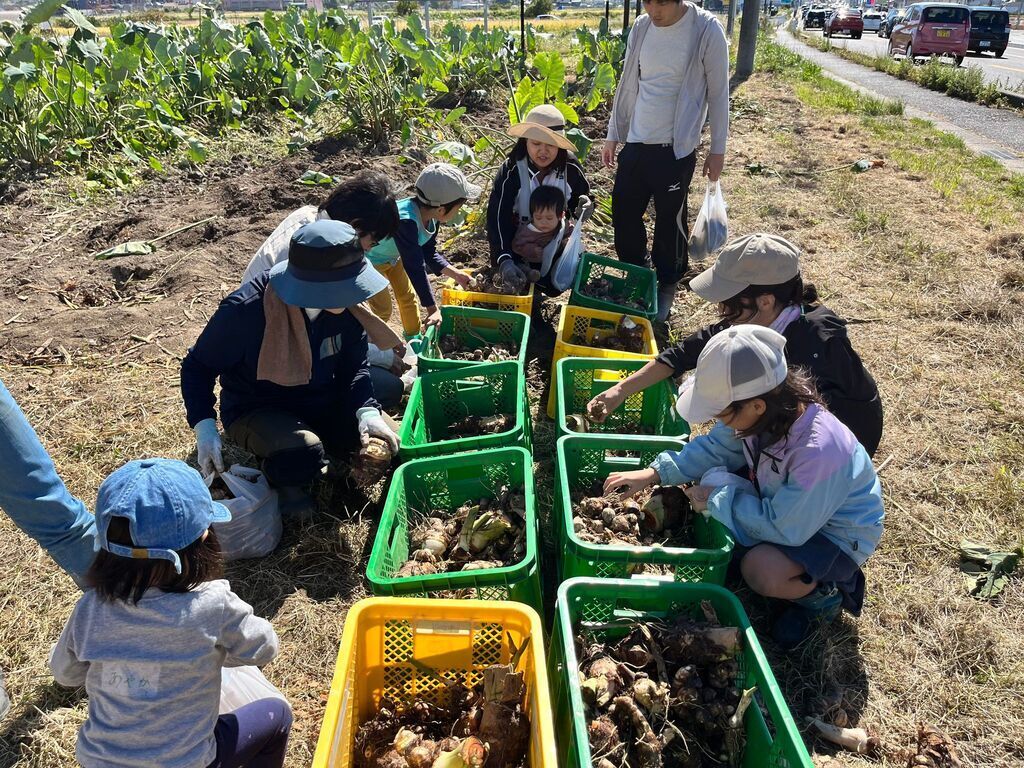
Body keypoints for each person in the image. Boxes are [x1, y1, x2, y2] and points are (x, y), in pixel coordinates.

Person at [604, 326, 884, 650]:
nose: (720, 422)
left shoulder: (819, 452)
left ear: (756, 406)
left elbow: (785, 528)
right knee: (715, 486)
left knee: (759, 570)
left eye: (723, 414)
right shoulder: (767, 412)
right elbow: (714, 449)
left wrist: (716, 500)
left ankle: (824, 596)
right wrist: (654, 473)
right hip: (786, 502)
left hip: (834, 533)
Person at [50, 458, 291, 767]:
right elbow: (264, 647)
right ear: (204, 539)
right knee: (277, 715)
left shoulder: (91, 608)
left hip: (99, 760)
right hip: (189, 761)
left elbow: (66, 674)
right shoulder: (213, 604)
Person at [587, 234, 883, 456]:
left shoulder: (816, 344)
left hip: (833, 447)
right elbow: (681, 355)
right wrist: (619, 391)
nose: (722, 315)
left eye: (729, 306)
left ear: (765, 301)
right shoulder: (747, 323)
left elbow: (821, 424)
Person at [181, 220, 400, 519]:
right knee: (302, 452)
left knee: (391, 439)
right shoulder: (246, 311)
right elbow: (197, 367)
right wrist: (205, 427)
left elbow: (355, 368)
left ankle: (334, 454)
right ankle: (287, 481)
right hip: (258, 406)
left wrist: (367, 413)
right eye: (345, 288)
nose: (355, 295)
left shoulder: (346, 311)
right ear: (315, 288)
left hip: (320, 396)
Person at [602, 0, 730, 321]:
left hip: (675, 148)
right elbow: (628, 84)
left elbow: (718, 93)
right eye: (647, 2)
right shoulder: (642, 27)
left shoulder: (705, 30)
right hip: (636, 140)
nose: (653, 10)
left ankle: (668, 282)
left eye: (660, 3)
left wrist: (718, 149)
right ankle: (638, 269)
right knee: (623, 210)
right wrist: (613, 132)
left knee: (669, 220)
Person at [239, 171, 408, 410]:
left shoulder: (312, 219)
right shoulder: (309, 257)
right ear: (356, 228)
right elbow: (315, 337)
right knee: (387, 387)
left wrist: (378, 340)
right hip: (277, 349)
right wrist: (381, 355)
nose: (369, 251)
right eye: (372, 243)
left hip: (300, 332)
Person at [364, 163, 479, 337]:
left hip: (395, 258)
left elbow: (429, 253)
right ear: (441, 209)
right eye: (458, 208)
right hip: (371, 261)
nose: (458, 212)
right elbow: (415, 266)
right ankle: (369, 344)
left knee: (408, 298)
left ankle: (413, 339)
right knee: (383, 309)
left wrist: (456, 274)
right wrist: (433, 309)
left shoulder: (433, 218)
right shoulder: (406, 221)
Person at [487, 104, 591, 294]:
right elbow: (497, 217)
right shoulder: (511, 171)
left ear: (559, 145)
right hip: (518, 242)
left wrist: (585, 205)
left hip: (554, 239)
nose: (543, 151)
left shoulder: (571, 168)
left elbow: (581, 199)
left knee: (554, 286)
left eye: (550, 145)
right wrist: (504, 259)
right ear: (525, 142)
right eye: (536, 144)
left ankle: (544, 284)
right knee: (515, 283)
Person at [509, 185, 573, 281]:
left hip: (552, 259)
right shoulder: (528, 231)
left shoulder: (561, 225)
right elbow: (516, 246)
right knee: (521, 266)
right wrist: (531, 250)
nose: (543, 222)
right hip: (532, 261)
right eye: (538, 218)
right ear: (532, 216)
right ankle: (530, 276)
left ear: (560, 215)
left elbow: (568, 231)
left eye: (549, 218)